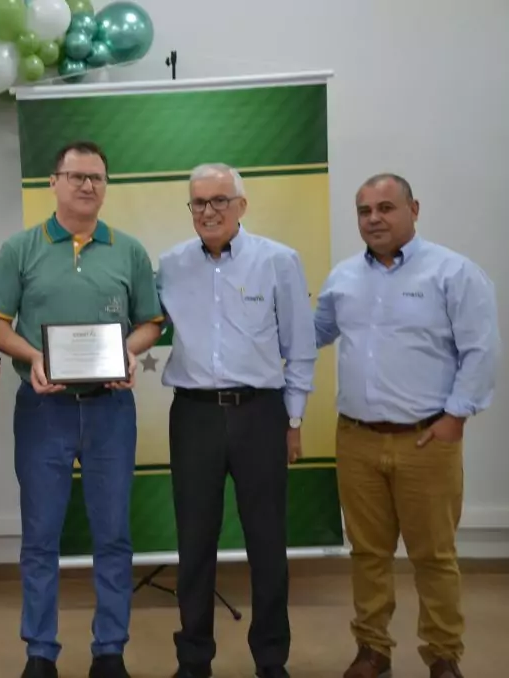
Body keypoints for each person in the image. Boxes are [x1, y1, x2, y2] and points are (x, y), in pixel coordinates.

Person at [0, 140, 164, 678]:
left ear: (106, 187)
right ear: (54, 182)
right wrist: (34, 356)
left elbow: (151, 322)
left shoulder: (128, 250)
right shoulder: (21, 249)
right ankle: (40, 652)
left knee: (113, 536)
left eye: (96, 178)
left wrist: (128, 352)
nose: (87, 185)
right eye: (76, 176)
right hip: (45, 411)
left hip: (111, 411)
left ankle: (110, 650)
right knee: (41, 537)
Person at [314, 174, 499, 678]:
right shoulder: (343, 278)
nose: (374, 219)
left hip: (426, 439)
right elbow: (315, 333)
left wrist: (455, 417)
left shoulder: (454, 273)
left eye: (386, 208)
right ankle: (373, 650)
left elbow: (481, 351)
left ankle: (443, 655)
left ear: (413, 209)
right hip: (356, 439)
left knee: (433, 556)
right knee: (367, 554)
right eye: (364, 210)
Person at [156, 163, 317, 678]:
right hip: (194, 415)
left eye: (219, 200)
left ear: (241, 205)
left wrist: (294, 420)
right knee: (194, 542)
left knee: (267, 542)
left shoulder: (278, 261)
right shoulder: (170, 265)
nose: (208, 211)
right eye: (198, 202)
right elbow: (144, 326)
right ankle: (193, 658)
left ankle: (271, 659)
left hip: (261, 414)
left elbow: (301, 346)